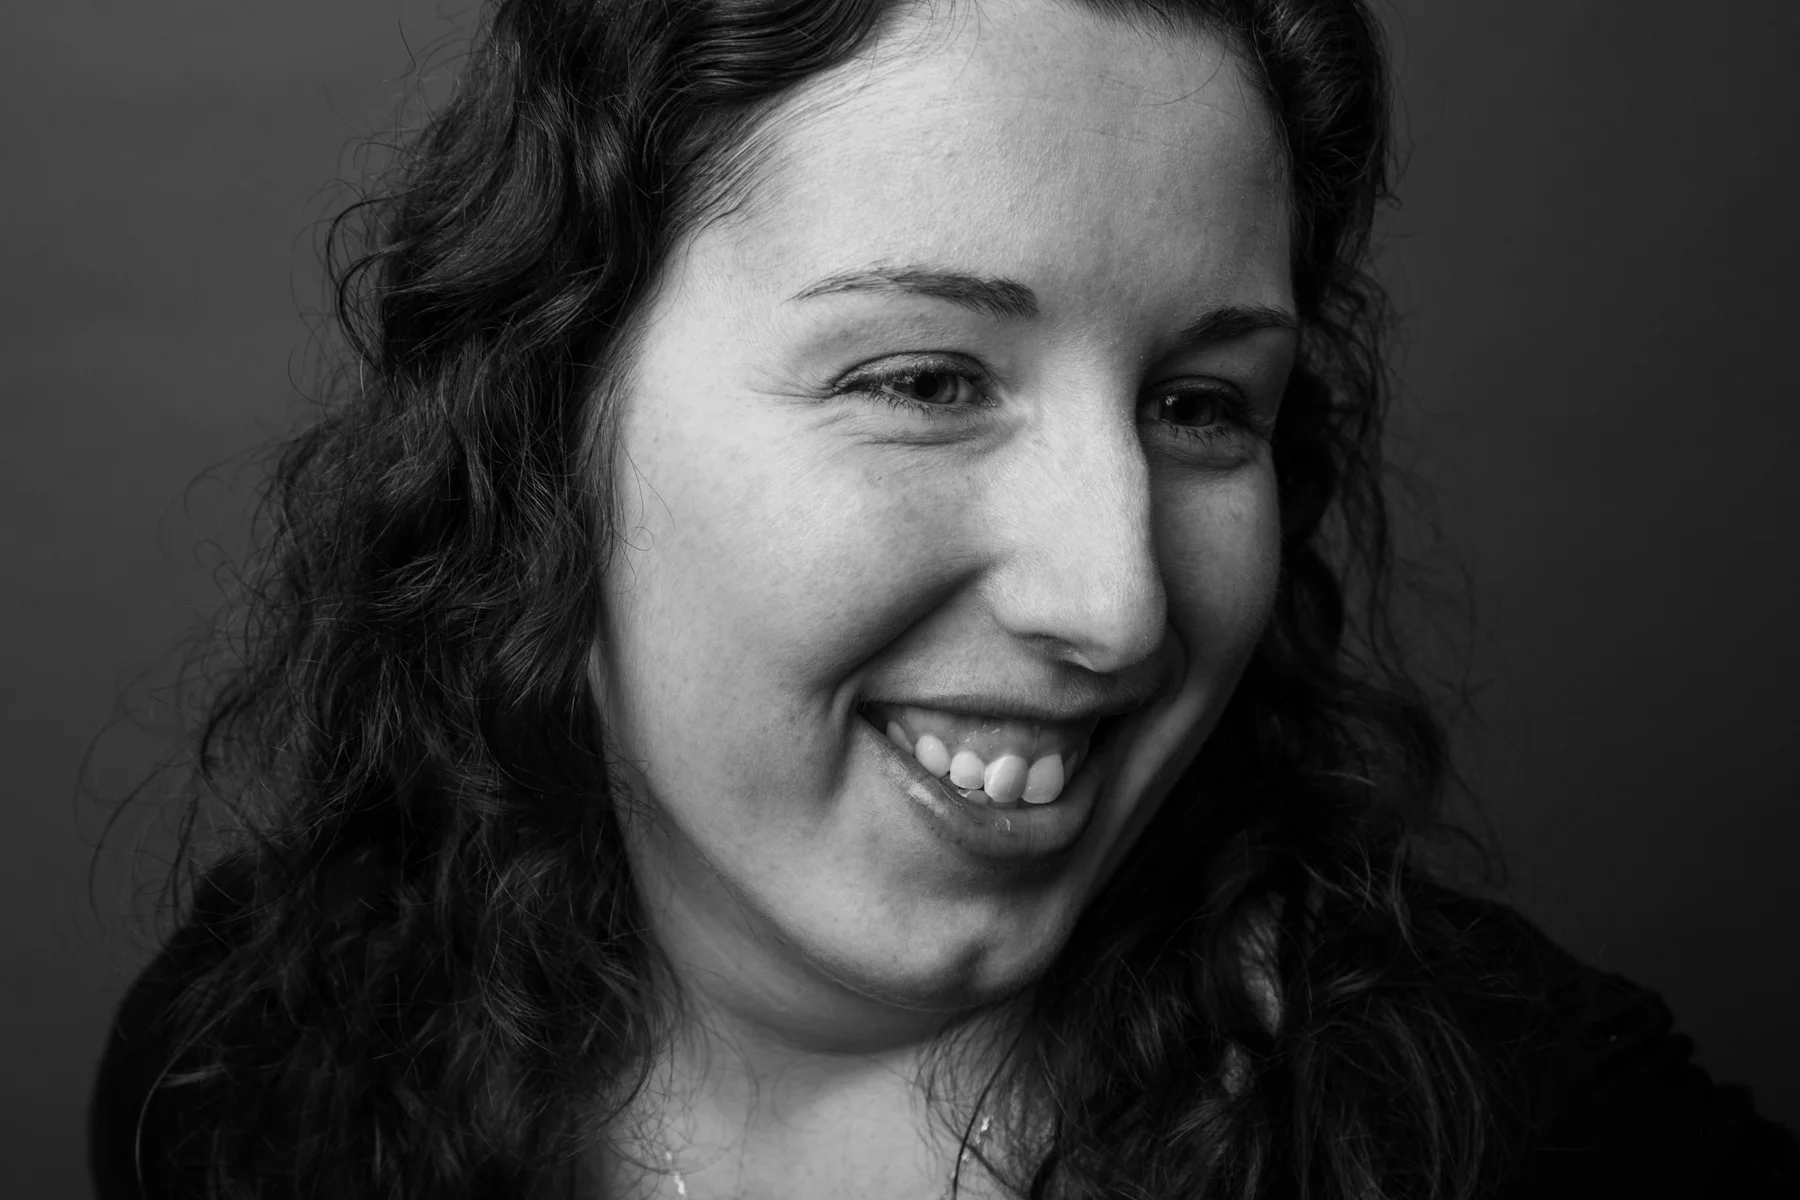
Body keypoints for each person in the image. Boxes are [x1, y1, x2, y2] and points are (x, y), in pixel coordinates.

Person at [86, 0, 1800, 1196]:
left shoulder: (1523, 1132)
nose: (1118, 605)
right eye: (923, 380)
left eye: (1205, 409)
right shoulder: (249, 1074)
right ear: (551, 419)